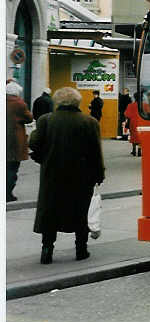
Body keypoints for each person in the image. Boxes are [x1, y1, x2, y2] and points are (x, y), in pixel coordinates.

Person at [29, 87, 105, 264]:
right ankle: (81, 249)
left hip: (52, 175)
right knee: (80, 211)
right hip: (81, 176)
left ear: (57, 102)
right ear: (77, 102)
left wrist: (42, 158)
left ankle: (47, 250)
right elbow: (95, 153)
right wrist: (99, 175)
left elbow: (34, 143)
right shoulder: (90, 122)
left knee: (51, 212)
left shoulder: (46, 120)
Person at [7, 81, 34, 202]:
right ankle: (7, 193)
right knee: (12, 168)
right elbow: (29, 118)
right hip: (15, 140)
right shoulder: (19, 103)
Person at [124, 91, 142, 156]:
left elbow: (126, 114)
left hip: (133, 122)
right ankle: (139, 150)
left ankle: (134, 150)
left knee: (133, 136)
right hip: (141, 122)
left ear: (134, 97)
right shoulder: (144, 105)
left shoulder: (130, 105)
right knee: (140, 136)